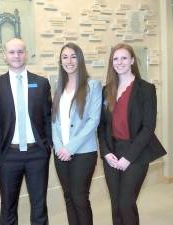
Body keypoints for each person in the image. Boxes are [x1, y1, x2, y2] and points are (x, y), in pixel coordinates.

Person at [98, 43, 166, 225]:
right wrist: (106, 153)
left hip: (136, 152)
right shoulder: (107, 90)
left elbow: (148, 127)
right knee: (116, 204)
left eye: (124, 58)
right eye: (115, 59)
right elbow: (102, 126)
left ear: (132, 61)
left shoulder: (146, 89)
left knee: (126, 203)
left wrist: (128, 157)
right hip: (112, 152)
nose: (119, 62)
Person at [0, 38, 52, 225]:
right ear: (5, 55)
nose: (16, 56)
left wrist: (47, 146)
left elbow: (48, 117)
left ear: (26, 53)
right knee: (8, 207)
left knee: (39, 206)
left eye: (20, 51)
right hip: (8, 155)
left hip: (37, 154)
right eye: (12, 52)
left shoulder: (40, 83)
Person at [51, 43, 102, 225]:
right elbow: (54, 121)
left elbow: (93, 121)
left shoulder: (92, 85)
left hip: (83, 152)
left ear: (79, 59)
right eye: (65, 57)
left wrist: (70, 147)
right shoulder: (58, 86)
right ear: (60, 61)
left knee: (80, 197)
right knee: (68, 197)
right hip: (61, 153)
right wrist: (59, 147)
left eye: (73, 56)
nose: (69, 61)